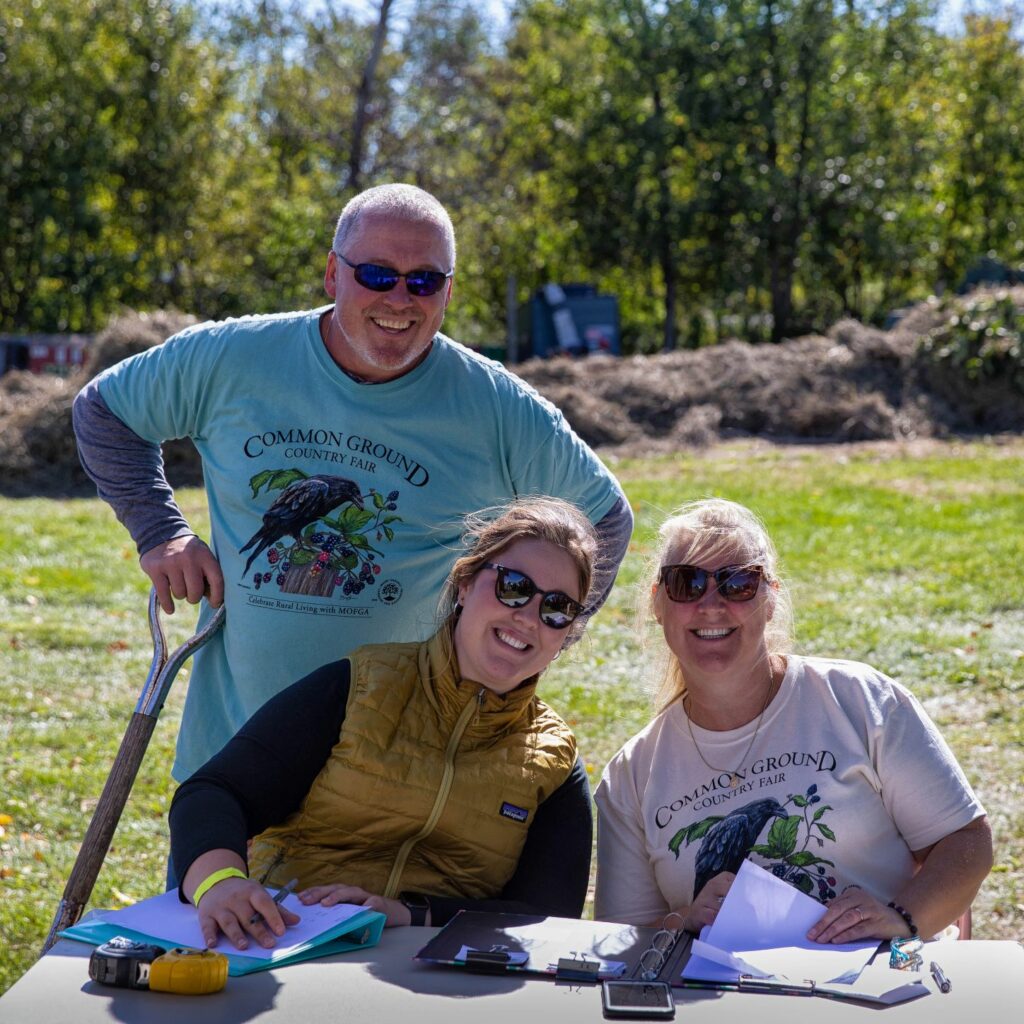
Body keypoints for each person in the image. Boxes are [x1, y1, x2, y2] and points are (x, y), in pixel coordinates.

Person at [72, 183, 632, 788]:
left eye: (424, 281)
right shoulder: (234, 358)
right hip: (230, 760)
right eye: (376, 274)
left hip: (392, 776)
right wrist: (161, 532)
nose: (400, 297)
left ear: (449, 290)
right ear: (332, 274)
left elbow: (606, 518)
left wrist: (545, 629)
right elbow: (105, 411)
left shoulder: (495, 405)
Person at [169, 498, 597, 949]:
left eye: (557, 608)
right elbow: (214, 792)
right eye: (514, 586)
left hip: (441, 979)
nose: (528, 616)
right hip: (289, 942)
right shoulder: (361, 686)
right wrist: (220, 883)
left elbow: (550, 915)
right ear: (467, 583)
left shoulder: (554, 760)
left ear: (566, 632)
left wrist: (410, 914)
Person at [594, 498, 992, 943]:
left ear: (770, 599)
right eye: (686, 583)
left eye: (739, 583)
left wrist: (901, 918)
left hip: (880, 989)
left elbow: (966, 841)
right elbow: (623, 939)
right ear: (657, 604)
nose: (711, 604)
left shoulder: (858, 699)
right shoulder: (631, 775)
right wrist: (685, 917)